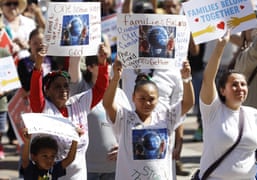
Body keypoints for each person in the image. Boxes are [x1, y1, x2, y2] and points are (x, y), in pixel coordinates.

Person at [197, 30, 257, 180]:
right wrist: (220, 46)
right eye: (234, 85)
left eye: (243, 84)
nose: (240, 88)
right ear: (222, 90)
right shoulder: (213, 110)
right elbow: (208, 79)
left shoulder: (253, 114)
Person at [103, 60, 194, 180]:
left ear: (158, 99)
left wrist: (186, 79)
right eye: (142, 98)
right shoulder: (124, 118)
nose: (146, 103)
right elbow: (108, 104)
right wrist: (115, 79)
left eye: (151, 99)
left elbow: (188, 103)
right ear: (133, 98)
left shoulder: (165, 118)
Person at [29, 45, 109, 179]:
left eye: (66, 85)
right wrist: (38, 64)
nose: (63, 90)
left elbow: (100, 89)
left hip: (79, 175)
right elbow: (35, 93)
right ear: (47, 91)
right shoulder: (44, 109)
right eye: (57, 87)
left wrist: (102, 63)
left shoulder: (79, 103)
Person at [68, 40, 129, 180]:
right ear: (89, 67)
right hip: (88, 168)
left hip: (114, 168)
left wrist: (124, 147)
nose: (106, 66)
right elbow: (73, 63)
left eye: (107, 62)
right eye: (100, 62)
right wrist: (79, 40)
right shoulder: (81, 90)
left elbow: (129, 125)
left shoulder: (119, 93)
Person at [0, 47, 11, 159]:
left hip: (1, 102)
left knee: (0, 130)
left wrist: (3, 91)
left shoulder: (4, 53)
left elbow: (11, 78)